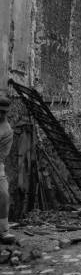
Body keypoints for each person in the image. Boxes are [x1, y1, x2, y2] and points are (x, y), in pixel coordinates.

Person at [0, 96, 15, 244]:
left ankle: (4, 230)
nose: (0, 114)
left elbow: (2, 155)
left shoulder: (7, 130)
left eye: (3, 112)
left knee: (3, 194)